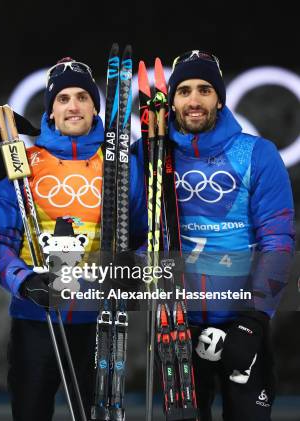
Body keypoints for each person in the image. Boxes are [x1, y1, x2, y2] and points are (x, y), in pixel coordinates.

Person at [0, 57, 147, 421]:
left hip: (99, 319)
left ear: (95, 106)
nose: (73, 105)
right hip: (36, 317)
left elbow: (142, 231)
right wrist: (25, 282)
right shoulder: (24, 163)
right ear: (51, 111)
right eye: (62, 99)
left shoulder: (121, 163)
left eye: (81, 97)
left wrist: (131, 265)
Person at [166, 50, 295, 420]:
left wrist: (254, 318)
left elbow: (279, 241)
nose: (194, 100)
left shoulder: (257, 153)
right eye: (185, 90)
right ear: (173, 99)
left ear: (219, 97)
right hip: (177, 328)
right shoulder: (153, 155)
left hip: (241, 322)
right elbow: (131, 224)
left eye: (204, 89)